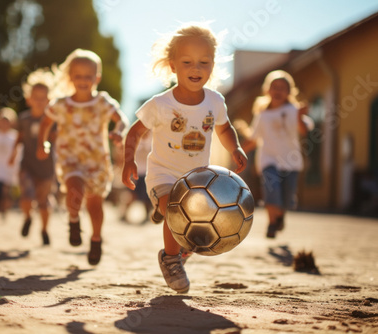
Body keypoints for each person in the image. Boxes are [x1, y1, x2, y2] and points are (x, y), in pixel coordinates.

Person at [122, 23, 247, 293]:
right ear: (172, 65)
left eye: (204, 62)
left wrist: (234, 147)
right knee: (174, 210)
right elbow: (134, 132)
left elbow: (224, 128)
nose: (196, 68)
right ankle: (170, 259)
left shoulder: (215, 101)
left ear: (213, 65)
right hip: (163, 174)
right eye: (187, 62)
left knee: (190, 231)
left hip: (198, 180)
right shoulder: (161, 104)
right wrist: (129, 160)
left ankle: (180, 249)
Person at [37, 49, 128, 265]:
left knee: (95, 205)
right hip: (70, 158)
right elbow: (45, 123)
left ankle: (96, 239)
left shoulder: (103, 102)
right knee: (74, 188)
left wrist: (119, 131)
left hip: (97, 162)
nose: (83, 80)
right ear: (70, 78)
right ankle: (74, 219)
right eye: (78, 76)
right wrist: (43, 143)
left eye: (89, 76)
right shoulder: (61, 104)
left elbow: (121, 119)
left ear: (97, 78)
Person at [239, 70, 312, 239]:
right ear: (267, 90)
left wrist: (300, 117)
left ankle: (280, 216)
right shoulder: (262, 114)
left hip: (291, 161)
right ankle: (272, 223)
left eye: (282, 88)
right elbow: (254, 138)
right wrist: (239, 151)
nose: (278, 91)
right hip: (268, 160)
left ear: (289, 92)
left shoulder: (295, 110)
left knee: (286, 198)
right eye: (274, 87)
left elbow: (304, 131)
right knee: (271, 191)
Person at [9, 68, 56, 246]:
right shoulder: (24, 119)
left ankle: (44, 229)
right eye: (35, 97)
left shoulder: (53, 120)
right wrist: (13, 153)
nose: (38, 101)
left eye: (43, 98)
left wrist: (48, 145)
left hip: (46, 168)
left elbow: (56, 138)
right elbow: (19, 137)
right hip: (27, 165)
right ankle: (28, 217)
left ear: (49, 100)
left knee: (44, 202)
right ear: (28, 99)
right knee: (27, 196)